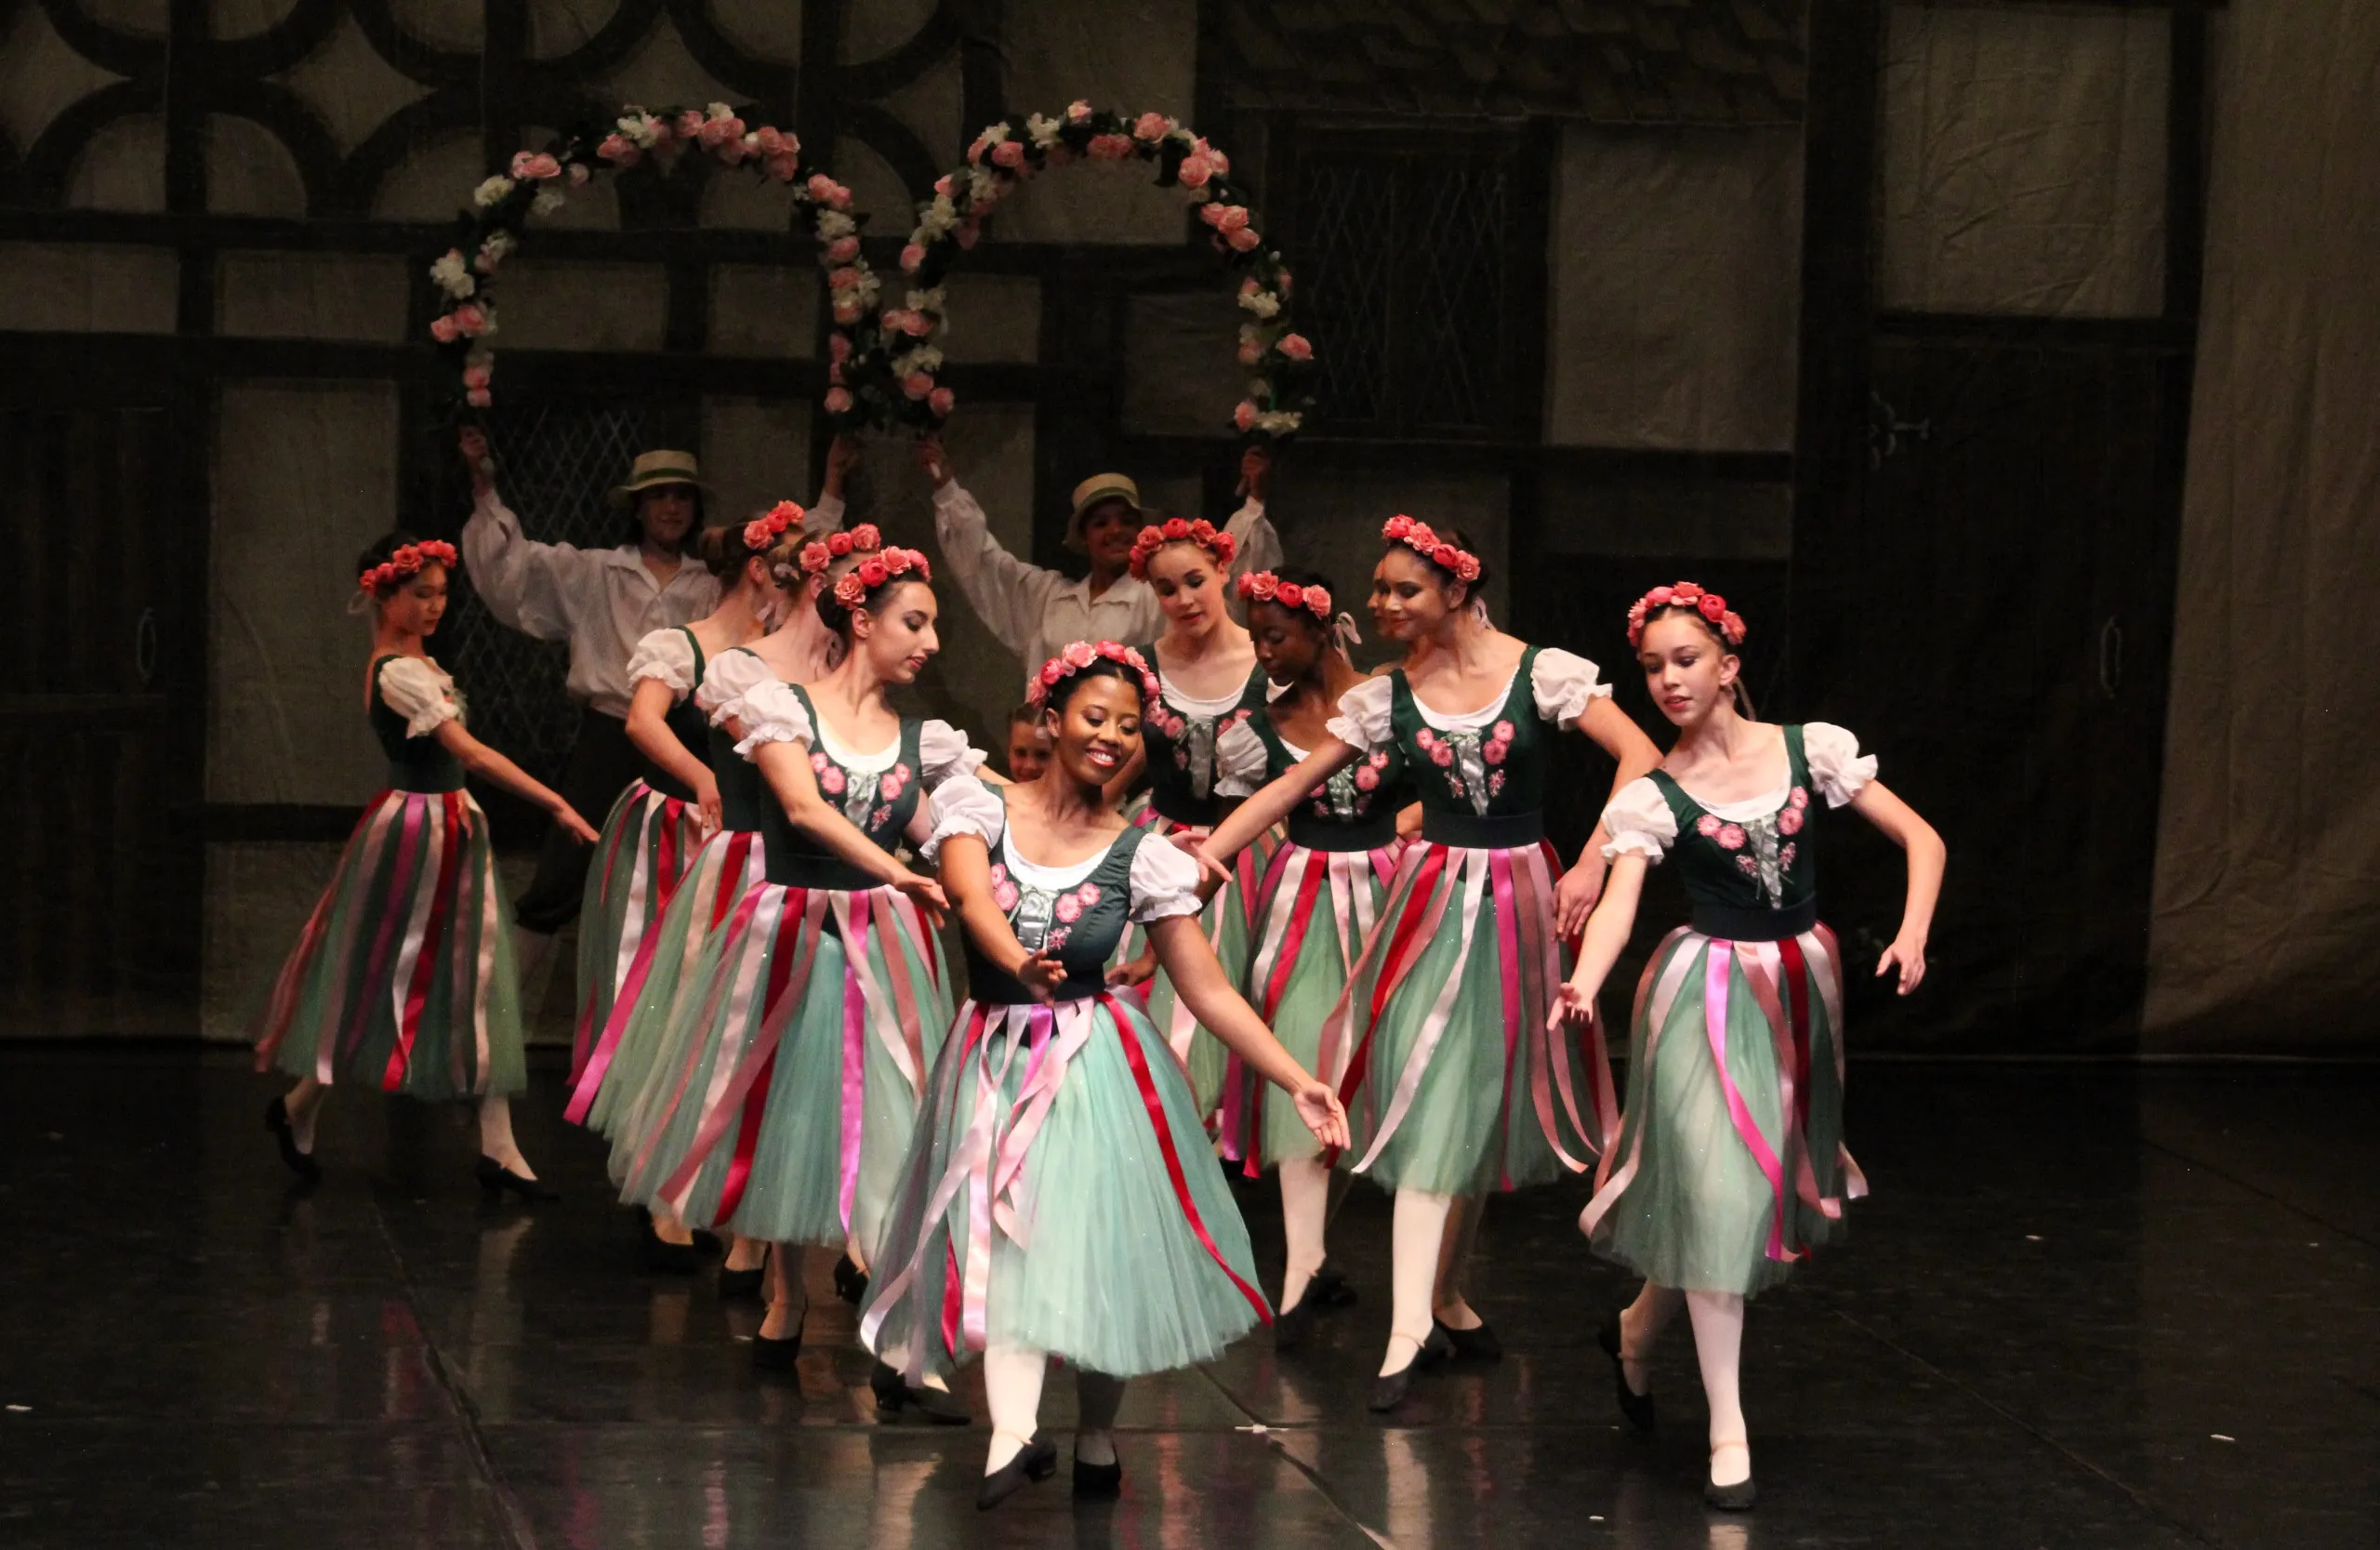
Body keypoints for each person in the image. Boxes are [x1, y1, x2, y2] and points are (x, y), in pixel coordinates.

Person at [859, 642, 1349, 1510]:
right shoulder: (981, 806)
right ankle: (1012, 1431)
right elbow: (972, 899)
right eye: (1095, 716)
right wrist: (1019, 959)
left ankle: (1092, 1432)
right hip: (995, 1059)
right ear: (1050, 720)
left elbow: (1207, 986)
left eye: (1129, 725)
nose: (1113, 737)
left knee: (1092, 1255)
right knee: (1006, 1240)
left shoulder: (1143, 855)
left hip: (1092, 1068)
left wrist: (1294, 1077)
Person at [1191, 515, 1662, 1411]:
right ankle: (1407, 1330)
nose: (1383, 603)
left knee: (1477, 1112)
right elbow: (1293, 785)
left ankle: (1444, 1296)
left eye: (1404, 588)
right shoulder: (1389, 696)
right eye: (1378, 590)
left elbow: (1640, 753)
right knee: (1428, 1099)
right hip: (1434, 899)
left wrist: (1598, 856)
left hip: (1520, 898)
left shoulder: (1537, 671)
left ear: (1457, 589)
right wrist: (1207, 855)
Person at [1551, 582, 1944, 1511]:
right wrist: (1586, 979)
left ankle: (1639, 1333)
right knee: (1720, 1195)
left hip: (1798, 991)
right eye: (1651, 667)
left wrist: (1913, 933)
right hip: (1701, 995)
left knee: (1736, 1195)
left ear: (1728, 664)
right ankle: (1728, 1426)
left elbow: (1919, 838)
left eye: (1684, 659)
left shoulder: (1810, 750)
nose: (1666, 680)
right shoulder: (1653, 795)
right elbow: (1617, 900)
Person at [609, 543, 979, 1424]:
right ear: (862, 620)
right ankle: (786, 1294)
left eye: (933, 627)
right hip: (792, 937)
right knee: (788, 1118)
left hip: (881, 948)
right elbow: (806, 809)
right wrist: (896, 872)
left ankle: (903, 1348)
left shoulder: (917, 737)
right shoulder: (778, 709)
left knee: (895, 1133)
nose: (929, 642)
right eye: (914, 622)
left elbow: (938, 830)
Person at [255, 534, 599, 1195]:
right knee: (378, 975)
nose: (437, 605)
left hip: (448, 826)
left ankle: (495, 1145)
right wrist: (555, 799)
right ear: (385, 596)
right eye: (423, 593)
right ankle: (302, 1104)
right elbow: (467, 752)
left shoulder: (421, 663)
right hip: (418, 831)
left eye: (443, 593)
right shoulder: (398, 673)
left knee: (474, 976)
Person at [461, 430, 828, 989]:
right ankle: (495, 1028)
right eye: (658, 496)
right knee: (560, 878)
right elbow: (511, 575)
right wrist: (484, 488)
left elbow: (789, 568)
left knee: (689, 884)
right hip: (612, 737)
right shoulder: (595, 571)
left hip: (694, 733)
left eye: (681, 496)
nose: (671, 507)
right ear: (638, 506)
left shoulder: (714, 580)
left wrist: (833, 490)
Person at [563, 502, 802, 1277]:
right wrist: (703, 775)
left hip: (753, 847)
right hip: (676, 832)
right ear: (760, 570)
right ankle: (659, 1188)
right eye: (795, 572)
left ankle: (727, 1196)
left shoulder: (786, 654)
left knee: (731, 1019)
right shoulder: (686, 644)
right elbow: (642, 722)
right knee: (664, 1004)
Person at [1212, 568, 1407, 1347]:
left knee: (1388, 1065)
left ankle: (1423, 1289)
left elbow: (1436, 781)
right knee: (1306, 1056)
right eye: (1255, 636)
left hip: (1393, 892)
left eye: (1276, 634)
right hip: (1308, 898)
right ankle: (1302, 1262)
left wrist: (1406, 828)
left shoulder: (1390, 701)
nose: (1263, 650)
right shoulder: (1257, 728)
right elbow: (1246, 820)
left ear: (1324, 630)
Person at [1105, 515, 1276, 1115]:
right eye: (1166, 588)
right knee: (1152, 1010)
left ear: (1225, 570)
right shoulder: (1144, 664)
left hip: (1248, 854)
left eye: (1194, 581)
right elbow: (1131, 759)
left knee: (1232, 1006)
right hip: (1161, 843)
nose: (1183, 599)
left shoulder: (1267, 657)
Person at [915, 434, 1283, 692]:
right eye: (1101, 523)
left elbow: (1223, 578)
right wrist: (945, 486)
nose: (1115, 531)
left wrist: (1254, 502)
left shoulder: (1159, 597)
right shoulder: (1047, 598)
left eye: (1125, 520)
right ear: (1084, 537)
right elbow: (985, 564)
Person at [1000, 704, 1050, 784]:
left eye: (1042, 755)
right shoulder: (987, 794)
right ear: (1008, 750)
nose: (1029, 766)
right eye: (1020, 753)